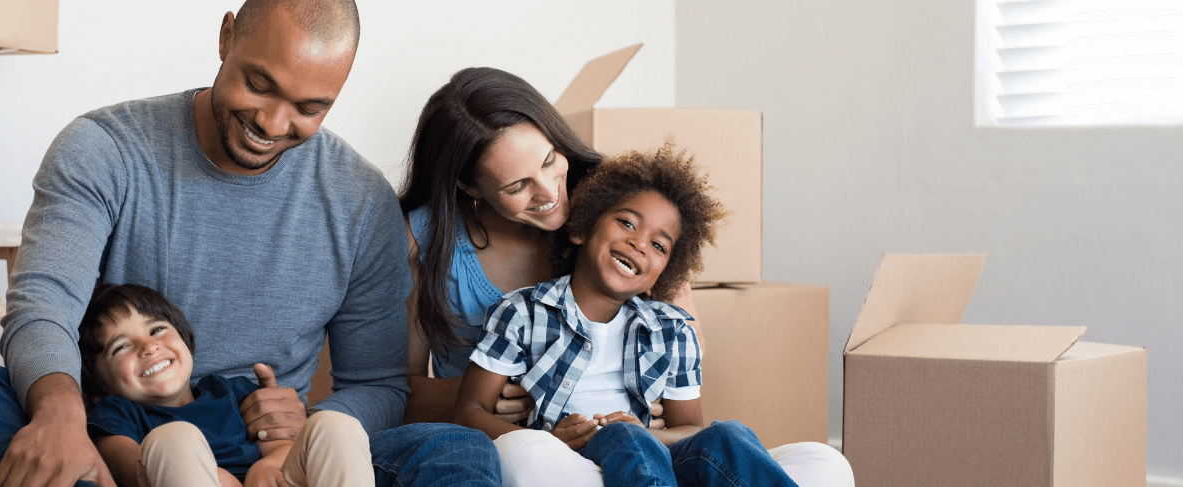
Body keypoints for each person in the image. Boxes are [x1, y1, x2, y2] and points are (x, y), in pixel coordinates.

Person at [0, 2, 500, 487]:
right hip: (126, 442)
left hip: (270, 462)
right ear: (226, 38)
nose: (273, 124)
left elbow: (376, 385)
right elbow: (44, 304)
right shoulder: (104, 149)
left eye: (308, 108)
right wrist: (60, 416)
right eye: (259, 84)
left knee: (455, 450)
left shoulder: (361, 201)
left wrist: (306, 424)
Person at [398, 68, 852, 486]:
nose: (550, 192)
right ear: (470, 187)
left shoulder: (619, 207)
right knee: (531, 452)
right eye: (517, 187)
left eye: (551, 160)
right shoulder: (433, 246)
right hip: (535, 449)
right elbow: (401, 390)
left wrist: (655, 417)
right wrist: (511, 393)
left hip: (640, 440)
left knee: (824, 463)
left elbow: (685, 356)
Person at [455, 147, 799, 487]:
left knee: (728, 433)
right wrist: (552, 441)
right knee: (621, 436)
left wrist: (646, 433)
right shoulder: (521, 313)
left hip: (652, 457)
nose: (639, 244)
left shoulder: (673, 330)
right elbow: (469, 412)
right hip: (565, 461)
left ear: (659, 279)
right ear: (582, 229)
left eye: (659, 246)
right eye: (627, 222)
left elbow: (692, 429)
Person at [77, 283, 371, 487]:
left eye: (157, 330)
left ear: (184, 339)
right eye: (121, 347)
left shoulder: (228, 390)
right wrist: (206, 475)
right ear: (99, 383)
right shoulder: (115, 413)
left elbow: (279, 443)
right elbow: (127, 467)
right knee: (173, 438)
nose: (149, 347)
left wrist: (267, 466)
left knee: (334, 425)